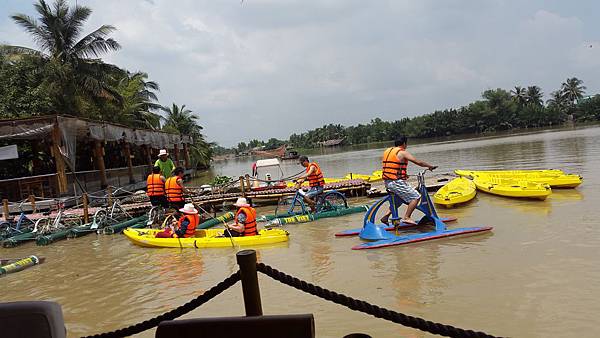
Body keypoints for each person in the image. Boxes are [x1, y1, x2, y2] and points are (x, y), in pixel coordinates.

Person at [381, 136, 436, 226]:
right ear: (404, 144)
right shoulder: (402, 153)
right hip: (396, 182)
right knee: (416, 197)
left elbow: (394, 165)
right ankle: (407, 217)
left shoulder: (388, 151)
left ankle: (386, 216)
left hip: (388, 182)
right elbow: (418, 162)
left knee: (399, 199)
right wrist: (429, 166)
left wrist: (402, 175)